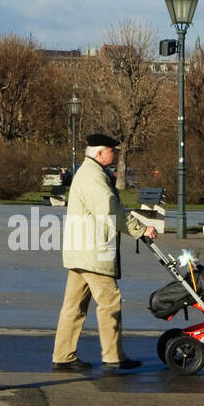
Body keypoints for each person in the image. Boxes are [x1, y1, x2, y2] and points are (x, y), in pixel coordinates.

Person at [52, 133, 157, 373]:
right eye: (112, 151)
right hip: (94, 252)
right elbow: (111, 211)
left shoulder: (89, 173)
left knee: (74, 305)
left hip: (82, 251)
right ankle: (113, 357)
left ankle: (63, 355)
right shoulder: (93, 177)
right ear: (99, 153)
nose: (115, 154)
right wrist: (140, 230)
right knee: (110, 302)